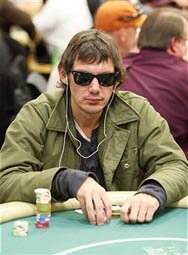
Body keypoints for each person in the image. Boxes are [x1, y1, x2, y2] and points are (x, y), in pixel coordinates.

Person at [0, 29, 187, 226]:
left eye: (106, 79)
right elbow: (6, 182)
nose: (95, 88)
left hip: (120, 227)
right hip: (58, 227)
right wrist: (64, 180)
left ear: (116, 81)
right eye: (83, 77)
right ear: (64, 74)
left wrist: (152, 192)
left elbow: (176, 165)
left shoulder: (137, 111)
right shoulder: (37, 114)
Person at [120, 7, 188, 158]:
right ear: (174, 43)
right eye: (185, 41)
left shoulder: (116, 70)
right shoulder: (184, 74)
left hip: (118, 168)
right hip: (173, 168)